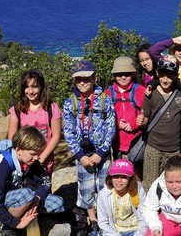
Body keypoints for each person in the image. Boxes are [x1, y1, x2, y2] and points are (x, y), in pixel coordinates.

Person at [0, 126, 64, 236]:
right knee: (26, 194)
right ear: (18, 150)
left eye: (38, 153)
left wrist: (37, 199)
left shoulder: (30, 161)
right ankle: (8, 226)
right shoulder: (3, 165)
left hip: (15, 199)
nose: (37, 158)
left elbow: (46, 182)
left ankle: (23, 215)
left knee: (57, 202)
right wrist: (17, 224)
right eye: (33, 154)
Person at [63, 60, 116, 233]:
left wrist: (101, 152)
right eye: (78, 79)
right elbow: (68, 132)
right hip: (83, 154)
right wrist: (80, 155)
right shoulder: (70, 103)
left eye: (86, 78)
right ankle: (92, 219)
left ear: (94, 78)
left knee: (104, 187)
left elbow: (111, 127)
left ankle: (104, 217)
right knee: (86, 188)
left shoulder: (104, 100)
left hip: (102, 153)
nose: (82, 82)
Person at [141, 55, 181, 191]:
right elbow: (145, 119)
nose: (165, 79)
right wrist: (141, 121)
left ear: (176, 75)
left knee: (172, 185)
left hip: (174, 148)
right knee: (150, 185)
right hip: (153, 146)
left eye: (169, 75)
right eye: (162, 75)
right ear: (157, 73)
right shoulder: (151, 93)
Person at [7, 69, 61, 176]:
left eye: (35, 87)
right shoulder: (17, 110)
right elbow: (12, 139)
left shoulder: (52, 108)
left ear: (41, 87)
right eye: (27, 87)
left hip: (45, 163)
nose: (30, 91)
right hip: (23, 165)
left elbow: (56, 136)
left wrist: (42, 158)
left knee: (43, 191)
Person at [105, 56, 146, 161]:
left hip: (137, 143)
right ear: (114, 75)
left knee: (137, 175)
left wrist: (134, 124)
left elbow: (147, 112)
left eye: (127, 74)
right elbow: (103, 117)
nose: (123, 77)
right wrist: (117, 123)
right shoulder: (108, 94)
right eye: (119, 74)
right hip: (117, 144)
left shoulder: (140, 91)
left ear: (132, 74)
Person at [97, 159, 147, 236]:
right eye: (116, 176)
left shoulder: (137, 191)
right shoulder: (103, 195)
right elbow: (103, 222)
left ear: (130, 179)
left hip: (136, 230)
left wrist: (138, 234)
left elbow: (143, 217)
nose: (119, 180)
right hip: (114, 231)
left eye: (123, 177)